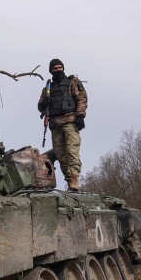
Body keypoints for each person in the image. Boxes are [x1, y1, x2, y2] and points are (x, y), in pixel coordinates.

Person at [38, 58, 88, 191]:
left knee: (72, 151)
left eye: (60, 68)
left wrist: (80, 116)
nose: (58, 70)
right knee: (60, 155)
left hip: (70, 121)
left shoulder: (72, 82)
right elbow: (40, 106)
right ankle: (69, 179)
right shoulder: (47, 89)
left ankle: (74, 180)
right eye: (55, 68)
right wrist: (44, 104)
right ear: (51, 71)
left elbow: (81, 98)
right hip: (55, 124)